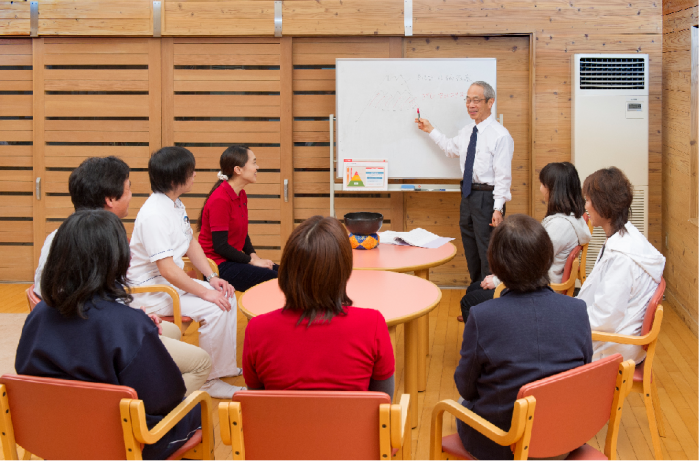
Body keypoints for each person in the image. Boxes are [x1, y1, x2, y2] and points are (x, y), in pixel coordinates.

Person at [16, 210, 202, 460]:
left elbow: (25, 372)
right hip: (120, 443)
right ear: (115, 260)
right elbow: (166, 397)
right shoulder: (128, 325)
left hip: (48, 435)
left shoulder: (37, 317)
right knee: (196, 408)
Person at [32, 156, 212, 396]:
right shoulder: (100, 242)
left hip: (70, 331)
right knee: (200, 363)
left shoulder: (59, 235)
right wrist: (135, 322)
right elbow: (102, 316)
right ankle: (149, 404)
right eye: (128, 189)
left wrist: (137, 317)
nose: (131, 196)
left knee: (173, 331)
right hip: (93, 339)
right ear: (110, 200)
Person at [454, 214, 592, 460]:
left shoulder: (482, 316)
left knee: (458, 404)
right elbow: (582, 375)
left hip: (503, 444)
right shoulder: (577, 310)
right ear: (547, 257)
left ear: (496, 264)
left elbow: (466, 387)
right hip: (563, 441)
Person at [128, 146, 242, 399]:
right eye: (191, 172)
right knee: (216, 305)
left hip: (170, 285)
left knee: (226, 294)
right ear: (174, 179)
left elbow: (190, 242)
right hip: (153, 291)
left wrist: (212, 278)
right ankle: (209, 381)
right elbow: (167, 270)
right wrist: (205, 293)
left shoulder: (174, 203)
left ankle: (221, 368)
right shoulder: (154, 214)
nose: (195, 176)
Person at [242, 216, 395, 398]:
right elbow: (383, 402)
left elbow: (258, 402)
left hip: (280, 426)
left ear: (287, 270)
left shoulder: (257, 330)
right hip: (351, 427)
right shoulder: (372, 325)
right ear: (343, 270)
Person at [459, 162, 592, 320]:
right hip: (538, 280)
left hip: (538, 288)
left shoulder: (559, 226)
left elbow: (530, 263)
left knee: (469, 301)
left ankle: (488, 339)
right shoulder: (572, 217)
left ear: (554, 190)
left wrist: (498, 279)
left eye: (543, 184)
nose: (541, 189)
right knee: (474, 289)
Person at [416, 81, 514, 294]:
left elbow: (503, 176)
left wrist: (498, 208)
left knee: (488, 251)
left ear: (490, 102)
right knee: (471, 251)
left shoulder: (500, 135)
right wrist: (430, 129)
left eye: (476, 100)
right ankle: (474, 302)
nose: (470, 104)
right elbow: (450, 149)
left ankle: (488, 305)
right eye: (468, 100)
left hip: (488, 199)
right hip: (468, 195)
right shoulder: (467, 131)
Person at [578, 167, 665, 364]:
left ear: (604, 204)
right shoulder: (625, 236)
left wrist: (567, 322)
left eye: (589, 200)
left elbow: (604, 319)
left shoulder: (622, 258)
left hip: (613, 348)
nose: (586, 206)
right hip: (615, 336)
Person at [198, 145, 278, 292]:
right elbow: (220, 246)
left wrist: (254, 256)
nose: (257, 167)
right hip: (217, 266)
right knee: (275, 279)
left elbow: (242, 233)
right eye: (253, 163)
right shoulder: (220, 199)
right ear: (238, 169)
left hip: (232, 260)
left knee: (284, 273)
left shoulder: (241, 194)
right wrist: (251, 261)